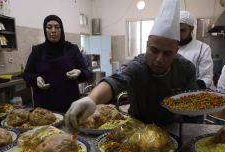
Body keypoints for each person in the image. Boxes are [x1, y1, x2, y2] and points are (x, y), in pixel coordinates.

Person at [65, 0, 197, 129]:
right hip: (136, 128)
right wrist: (91, 99)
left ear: (176, 51)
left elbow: (193, 104)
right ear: (146, 46)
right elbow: (116, 81)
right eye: (154, 50)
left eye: (167, 54)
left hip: (172, 127)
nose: (159, 59)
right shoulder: (139, 66)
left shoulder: (186, 69)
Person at [23, 15, 91, 113]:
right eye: (49, 27)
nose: (53, 30)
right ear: (45, 30)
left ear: (61, 29)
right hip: (44, 110)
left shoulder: (72, 49)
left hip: (70, 107)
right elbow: (26, 74)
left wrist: (79, 72)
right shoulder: (37, 51)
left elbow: (87, 73)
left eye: (57, 27)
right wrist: (36, 78)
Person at [178, 10, 214, 90]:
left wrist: (191, 88)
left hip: (195, 93)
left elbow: (207, 77)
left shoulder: (203, 48)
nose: (178, 33)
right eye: (176, 29)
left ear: (191, 29)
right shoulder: (169, 47)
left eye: (182, 30)